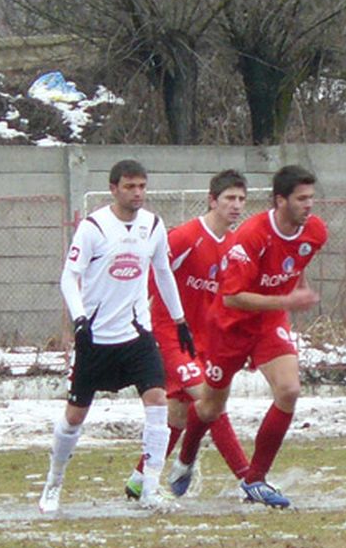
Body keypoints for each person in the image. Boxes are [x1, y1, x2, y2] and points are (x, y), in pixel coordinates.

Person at [38, 159, 196, 514]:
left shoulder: (153, 225)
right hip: (96, 338)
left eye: (142, 186)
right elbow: (69, 277)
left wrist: (179, 319)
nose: (137, 193)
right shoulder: (94, 227)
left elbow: (163, 272)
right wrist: (80, 319)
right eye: (129, 187)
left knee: (157, 401)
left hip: (137, 334)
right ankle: (54, 482)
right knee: (75, 416)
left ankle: (150, 489)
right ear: (114, 189)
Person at [184, 164, 328, 508]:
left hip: (269, 322)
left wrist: (299, 291)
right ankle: (185, 459)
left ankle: (255, 480)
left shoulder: (316, 231)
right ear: (281, 200)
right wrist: (287, 299)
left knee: (289, 390)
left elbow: (297, 261)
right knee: (210, 406)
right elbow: (232, 296)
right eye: (301, 199)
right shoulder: (252, 234)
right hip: (231, 326)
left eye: (311, 198)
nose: (309, 205)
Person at [121, 170, 252, 500]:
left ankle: (139, 479)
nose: (236, 206)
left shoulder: (236, 247)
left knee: (177, 417)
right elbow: (151, 283)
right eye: (229, 199)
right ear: (212, 200)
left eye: (241, 200)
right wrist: (134, 326)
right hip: (171, 335)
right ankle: (251, 480)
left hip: (208, 342)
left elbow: (234, 300)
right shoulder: (183, 237)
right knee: (211, 402)